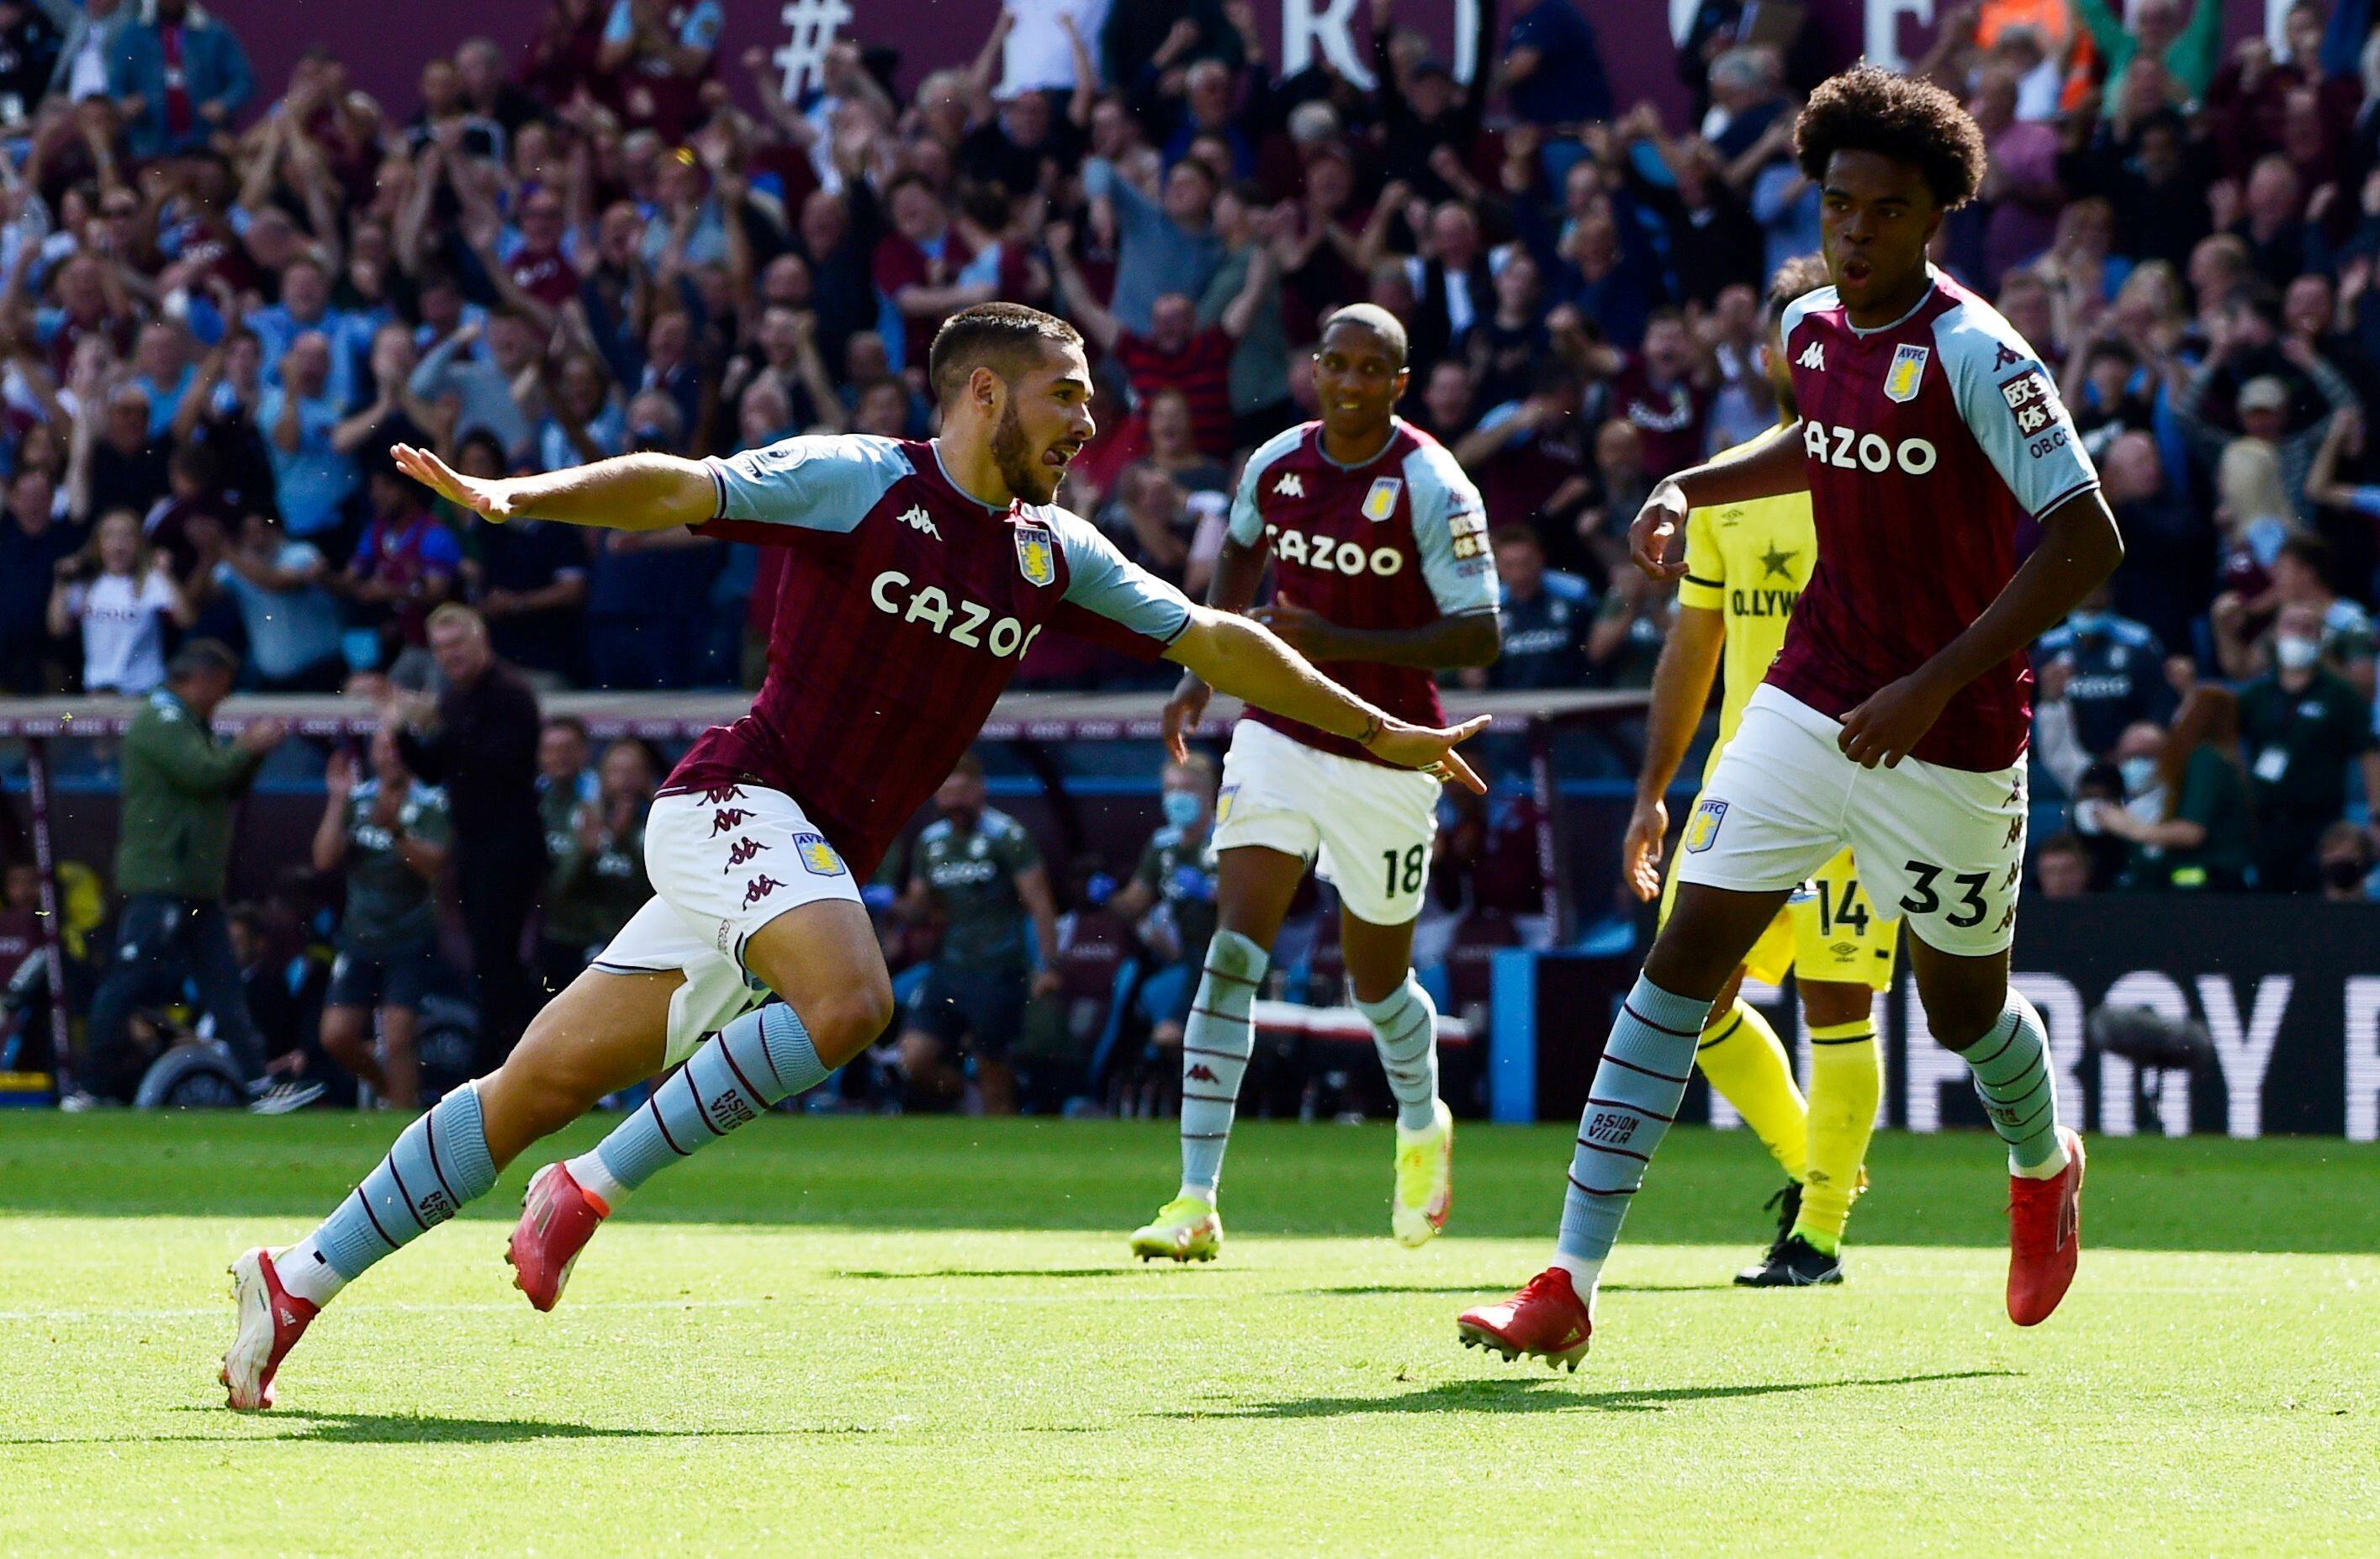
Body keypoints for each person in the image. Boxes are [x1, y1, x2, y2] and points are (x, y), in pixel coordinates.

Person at [223, 301, 1487, 1410]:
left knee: (529, 1087)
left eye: (1094, 404)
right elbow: (682, 485)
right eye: (1066, 396)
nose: (1087, 424)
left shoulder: (1051, 553)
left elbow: (1216, 638)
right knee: (853, 1001)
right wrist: (519, 499)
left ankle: (294, 1277)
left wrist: (1381, 726)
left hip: (791, 854)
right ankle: (592, 1188)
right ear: (982, 390)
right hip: (733, 799)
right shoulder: (855, 479)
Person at [1460, 67, 2118, 1370]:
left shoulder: (1982, 351)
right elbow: (1813, 439)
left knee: (1961, 1009)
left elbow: (2085, 539)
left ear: (1935, 214)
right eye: (1837, 206)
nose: (1855, 232)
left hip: (1951, 729)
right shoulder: (1810, 329)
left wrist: (1931, 680)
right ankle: (1565, 1280)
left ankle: (2042, 1164)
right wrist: (1686, 484)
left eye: (1885, 210)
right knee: (1676, 964)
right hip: (1809, 695)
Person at [1126, 304, 1501, 1265]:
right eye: (1334, 362)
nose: (1348, 382)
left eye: (1371, 369)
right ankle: (1195, 1199)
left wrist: (1341, 642)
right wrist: (1202, 670)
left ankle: (1420, 1123)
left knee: (1378, 982)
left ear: (1397, 385)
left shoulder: (1430, 481)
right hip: (1278, 732)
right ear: (1316, 369)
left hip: (1390, 750)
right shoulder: (1275, 464)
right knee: (1233, 950)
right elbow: (1239, 554)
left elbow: (1479, 632)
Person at [1620, 253, 1897, 1288]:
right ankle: (1814, 1166)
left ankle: (1817, 1232)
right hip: (1744, 782)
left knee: (1836, 1001)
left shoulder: (1892, 472)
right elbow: (1691, 649)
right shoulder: (1727, 485)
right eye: (1790, 334)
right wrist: (1652, 792)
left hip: (1863, 781)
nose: (1804, 349)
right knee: (1687, 992)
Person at [82, 641, 309, 1110]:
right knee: (128, 980)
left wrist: (254, 755)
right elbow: (203, 774)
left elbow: (223, 784)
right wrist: (246, 746)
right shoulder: (160, 720)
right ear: (199, 679)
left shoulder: (188, 722)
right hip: (159, 880)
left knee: (225, 984)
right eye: (221, 686)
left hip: (192, 884)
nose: (223, 698)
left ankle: (256, 1085)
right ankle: (89, 1087)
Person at [385, 606, 543, 1073]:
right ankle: (514, 1059)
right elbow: (436, 770)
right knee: (492, 963)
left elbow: (493, 764)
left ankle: (491, 1066)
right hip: (474, 848)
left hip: (509, 848)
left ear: (481, 641)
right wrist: (401, 728)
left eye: (457, 644)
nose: (449, 655)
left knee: (499, 961)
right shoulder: (456, 700)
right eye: (440, 648)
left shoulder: (512, 696)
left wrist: (432, 725)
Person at [892, 755, 1061, 1115]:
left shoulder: (1007, 835)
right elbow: (918, 905)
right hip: (949, 968)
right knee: (913, 1060)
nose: (954, 803)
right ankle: (965, 1094)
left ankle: (1000, 1138)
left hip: (998, 968)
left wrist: (1048, 966)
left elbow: (1040, 904)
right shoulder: (931, 842)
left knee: (993, 1070)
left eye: (961, 793)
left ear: (979, 790)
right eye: (946, 794)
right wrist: (884, 905)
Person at [312, 726, 452, 1110]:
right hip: (359, 936)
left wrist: (397, 832)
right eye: (382, 748)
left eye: (396, 747)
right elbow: (324, 859)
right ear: (371, 755)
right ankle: (389, 1089)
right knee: (335, 1037)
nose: (390, 755)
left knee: (398, 1036)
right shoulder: (357, 801)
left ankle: (403, 1126)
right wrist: (337, 800)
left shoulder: (431, 803)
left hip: (410, 937)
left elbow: (433, 867)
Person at [2237, 600, 2380, 893]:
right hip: (2266, 821)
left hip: (2322, 823)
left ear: (2320, 637)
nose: (2299, 634)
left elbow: (2369, 754)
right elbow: (2230, 749)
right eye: (2291, 625)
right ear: (2275, 635)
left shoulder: (2341, 696)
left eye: (2308, 627)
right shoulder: (2257, 695)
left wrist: (2377, 815)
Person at [1108, 754, 1222, 1057]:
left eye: (1185, 789)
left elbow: (1251, 902)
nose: (1176, 798)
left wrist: (1210, 892)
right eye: (1170, 790)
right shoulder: (1163, 845)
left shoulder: (1228, 839)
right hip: (1184, 959)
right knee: (1133, 989)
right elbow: (1133, 903)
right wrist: (1107, 895)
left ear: (1209, 795)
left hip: (1224, 961)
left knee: (1174, 1036)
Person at [2086, 686, 2252, 890]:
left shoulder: (2207, 759)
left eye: (2185, 705)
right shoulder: (2218, 760)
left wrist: (2131, 828)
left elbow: (2192, 832)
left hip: (2211, 884)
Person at [46, 510, 196, 696]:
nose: (119, 546)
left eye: (127, 537)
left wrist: (166, 575)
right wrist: (61, 582)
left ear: (139, 544)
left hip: (144, 690)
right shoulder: (87, 586)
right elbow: (58, 628)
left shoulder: (152, 582)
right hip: (99, 690)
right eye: (110, 536)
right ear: (98, 544)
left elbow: (186, 619)